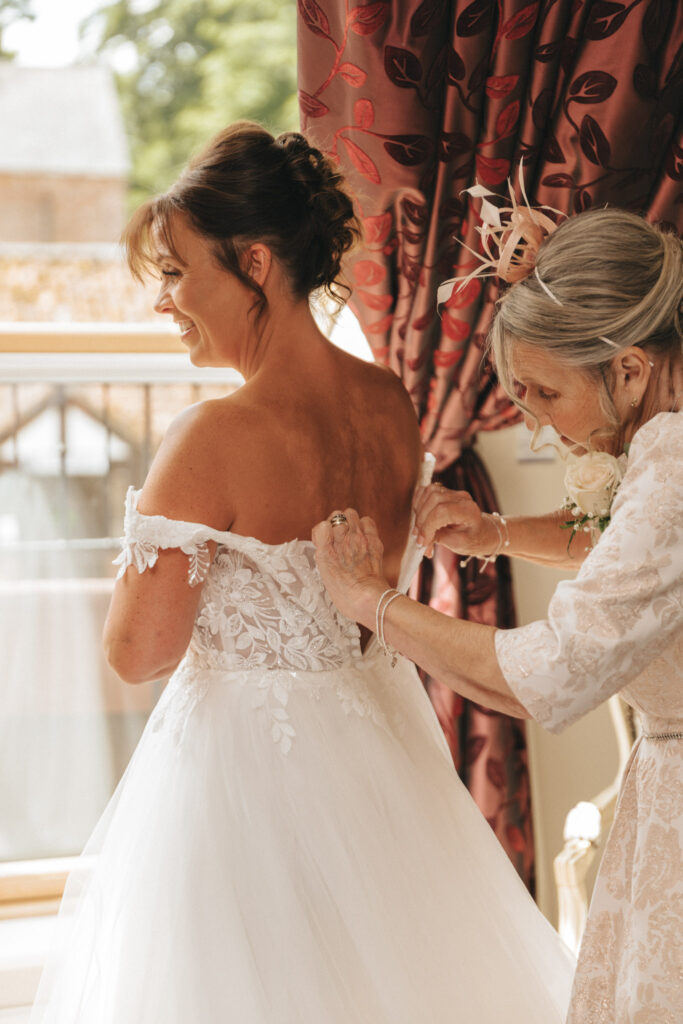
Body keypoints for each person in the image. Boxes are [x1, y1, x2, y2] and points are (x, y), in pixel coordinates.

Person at [30, 122, 574, 1024]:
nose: (164, 301)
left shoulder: (211, 437)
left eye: (177, 273)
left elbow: (137, 652)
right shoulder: (388, 400)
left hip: (245, 786)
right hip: (383, 759)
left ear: (253, 263)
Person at [313, 203, 683, 1023]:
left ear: (628, 369)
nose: (537, 421)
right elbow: (636, 558)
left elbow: (544, 676)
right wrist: (496, 532)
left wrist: (370, 602)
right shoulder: (663, 435)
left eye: (547, 391)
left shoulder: (672, 465)